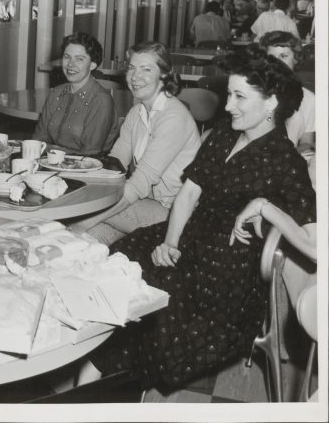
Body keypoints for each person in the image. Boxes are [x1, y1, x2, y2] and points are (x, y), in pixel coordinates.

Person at [78, 46, 314, 391]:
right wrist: (169, 241)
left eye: (238, 96)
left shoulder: (286, 163)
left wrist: (267, 207)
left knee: (155, 302)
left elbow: (315, 247)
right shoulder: (224, 135)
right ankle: (94, 368)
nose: (228, 105)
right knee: (118, 259)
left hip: (228, 267)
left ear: (271, 103)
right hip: (188, 234)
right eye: (229, 94)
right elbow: (189, 193)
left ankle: (101, 378)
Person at [73, 42, 201, 246]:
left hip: (174, 214)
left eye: (146, 69)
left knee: (82, 213)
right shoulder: (137, 113)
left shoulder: (173, 118)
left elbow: (139, 183)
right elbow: (114, 166)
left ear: (164, 75)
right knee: (89, 239)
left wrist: (82, 219)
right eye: (131, 68)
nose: (134, 76)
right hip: (145, 204)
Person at [33, 33, 119, 156]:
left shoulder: (101, 100)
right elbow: (38, 140)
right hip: (51, 163)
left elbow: (90, 153)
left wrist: (50, 150)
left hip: (86, 170)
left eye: (79, 59)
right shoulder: (55, 93)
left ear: (93, 65)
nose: (70, 64)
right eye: (67, 57)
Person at [258, 31, 315, 153]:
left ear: (296, 59)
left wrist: (287, 157)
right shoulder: (256, 94)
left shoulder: (309, 99)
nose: (277, 63)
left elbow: (306, 143)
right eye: (271, 58)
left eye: (283, 56)